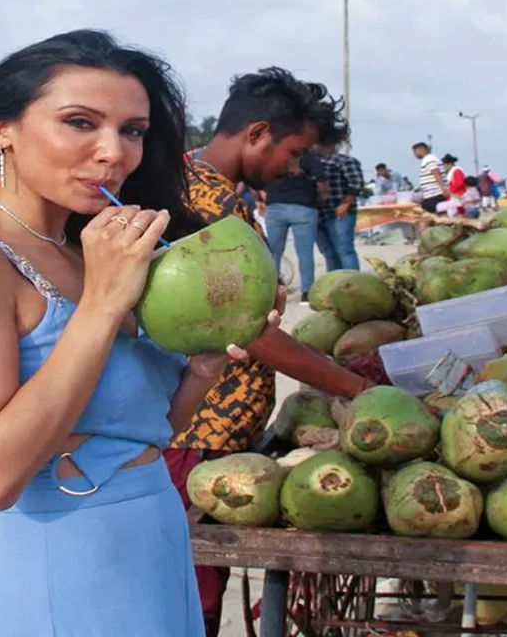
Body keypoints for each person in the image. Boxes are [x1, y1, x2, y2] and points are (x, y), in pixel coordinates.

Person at [0, 29, 243, 636]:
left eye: (133, 130)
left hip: (151, 539)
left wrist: (205, 366)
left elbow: (140, 432)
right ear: (3, 130)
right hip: (61, 561)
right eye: (80, 122)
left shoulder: (93, 250)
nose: (113, 151)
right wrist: (101, 309)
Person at [174, 67, 372, 635]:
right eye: (295, 150)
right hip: (196, 438)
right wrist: (355, 388)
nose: (297, 168)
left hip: (214, 439)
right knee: (193, 605)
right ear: (258, 133)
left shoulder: (210, 188)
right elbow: (251, 332)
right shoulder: (208, 203)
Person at [263, 146, 327, 301]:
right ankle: (307, 293)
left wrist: (260, 200)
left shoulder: (272, 154)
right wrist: (320, 198)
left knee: (273, 253)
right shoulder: (308, 156)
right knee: (305, 252)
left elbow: (257, 182)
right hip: (303, 207)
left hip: (275, 207)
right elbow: (322, 183)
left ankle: (271, 293)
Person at [316, 137, 364, 271]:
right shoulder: (312, 163)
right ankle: (334, 281)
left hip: (341, 212)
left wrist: (346, 204)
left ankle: (352, 281)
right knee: (329, 253)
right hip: (320, 214)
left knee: (344, 249)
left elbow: (356, 183)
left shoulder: (345, 161)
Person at [413, 142, 447, 214]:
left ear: (420, 150)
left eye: (415, 152)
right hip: (433, 193)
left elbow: (435, 172)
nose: (414, 155)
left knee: (424, 216)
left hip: (434, 194)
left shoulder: (428, 159)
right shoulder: (432, 158)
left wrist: (443, 188)